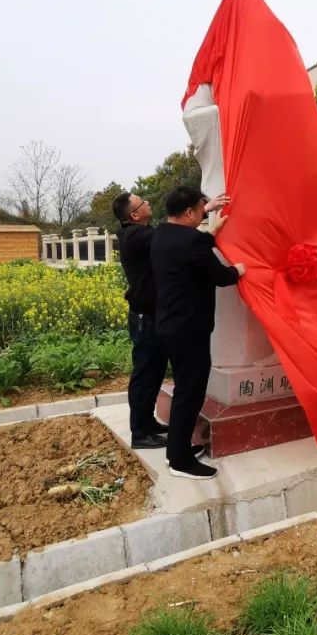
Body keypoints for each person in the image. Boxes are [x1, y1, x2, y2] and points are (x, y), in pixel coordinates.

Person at [112, 190, 228, 450]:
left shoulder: (144, 233)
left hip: (155, 316)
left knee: (153, 375)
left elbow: (179, 234)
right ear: (134, 214)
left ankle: (147, 425)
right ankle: (140, 432)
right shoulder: (138, 237)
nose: (149, 201)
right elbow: (180, 240)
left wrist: (201, 210)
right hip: (146, 318)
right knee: (145, 376)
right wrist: (203, 213)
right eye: (143, 202)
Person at [152, 185, 245, 479]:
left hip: (169, 327)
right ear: (190, 212)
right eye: (200, 210)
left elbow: (191, 249)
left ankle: (176, 450)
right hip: (189, 331)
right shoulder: (192, 241)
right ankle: (180, 461)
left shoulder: (160, 235)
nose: (203, 214)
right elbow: (220, 276)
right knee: (190, 394)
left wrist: (209, 229)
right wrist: (239, 270)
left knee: (184, 390)